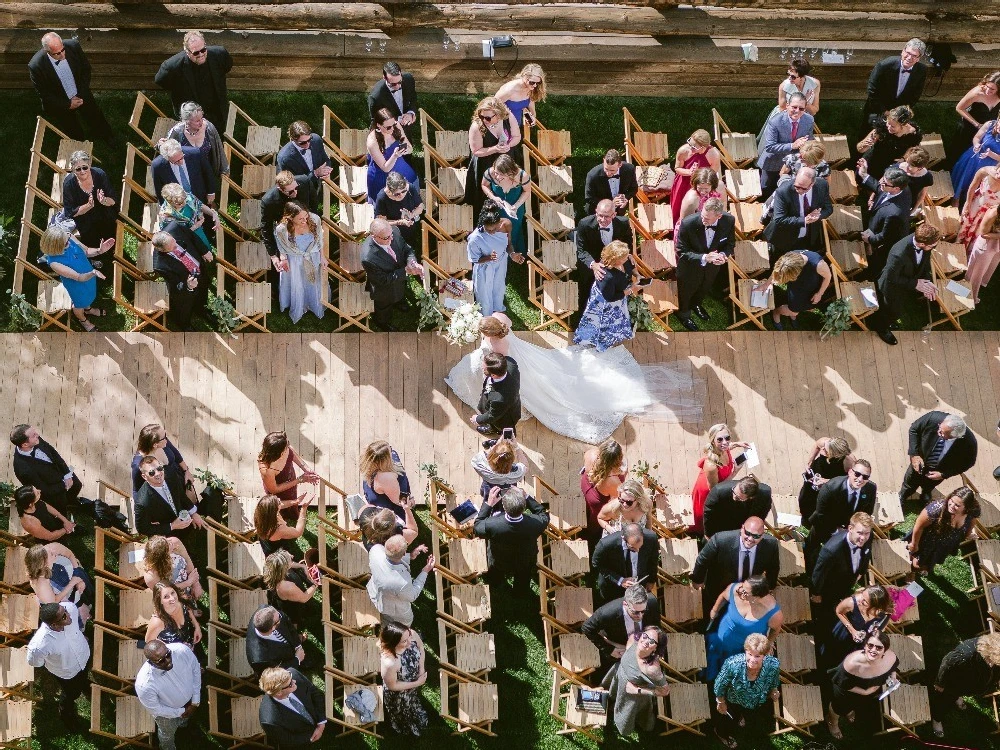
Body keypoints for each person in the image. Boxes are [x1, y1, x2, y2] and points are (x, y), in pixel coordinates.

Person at [445, 311, 692, 446]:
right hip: (523, 358)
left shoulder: (499, 348)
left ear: (488, 333)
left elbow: (498, 364)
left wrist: (483, 356)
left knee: (538, 392)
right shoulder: (500, 319)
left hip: (514, 368)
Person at [27, 31, 112, 143]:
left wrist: (81, 93)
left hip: (80, 91)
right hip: (60, 100)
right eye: (57, 53)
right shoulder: (36, 66)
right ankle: (79, 144)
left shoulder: (73, 45)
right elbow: (44, 94)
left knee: (94, 115)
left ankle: (106, 136)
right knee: (71, 128)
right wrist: (68, 104)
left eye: (63, 50)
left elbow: (86, 69)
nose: (62, 55)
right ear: (47, 51)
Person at [691, 518, 780, 613]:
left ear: (762, 536)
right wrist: (697, 580)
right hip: (718, 591)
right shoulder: (720, 540)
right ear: (742, 528)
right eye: (747, 533)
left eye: (755, 536)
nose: (750, 539)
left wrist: (769, 587)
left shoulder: (771, 545)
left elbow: (773, 568)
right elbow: (702, 559)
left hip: (748, 598)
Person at [869, 226, 939, 346]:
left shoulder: (925, 245)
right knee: (891, 310)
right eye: (933, 246)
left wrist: (927, 282)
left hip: (905, 282)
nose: (934, 248)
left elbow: (924, 265)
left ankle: (887, 322)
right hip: (891, 286)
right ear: (922, 243)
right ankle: (881, 328)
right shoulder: (899, 254)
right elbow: (891, 277)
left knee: (896, 310)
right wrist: (916, 284)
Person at [474, 486, 549, 595]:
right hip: (525, 560)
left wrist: (488, 504)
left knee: (496, 574)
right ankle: (520, 592)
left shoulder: (492, 524)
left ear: (503, 506)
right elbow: (542, 513)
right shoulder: (536, 523)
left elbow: (477, 526)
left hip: (499, 559)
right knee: (523, 577)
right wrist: (527, 497)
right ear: (524, 507)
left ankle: (496, 585)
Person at [712, 633, 781, 750]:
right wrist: (720, 701)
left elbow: (774, 680)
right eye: (750, 654)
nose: (753, 660)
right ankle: (721, 733)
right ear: (745, 651)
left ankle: (739, 716)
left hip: (755, 700)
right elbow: (720, 684)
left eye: (758, 656)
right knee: (728, 719)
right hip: (733, 698)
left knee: (744, 712)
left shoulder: (773, 665)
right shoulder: (732, 664)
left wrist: (774, 690)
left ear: (765, 655)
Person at [705, 576, 782, 681]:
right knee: (712, 659)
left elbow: (775, 629)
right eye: (742, 586)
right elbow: (723, 595)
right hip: (722, 636)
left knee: (731, 672)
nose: (740, 590)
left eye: (745, 592)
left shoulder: (773, 613)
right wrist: (715, 610)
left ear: (756, 597)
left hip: (741, 649)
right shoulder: (736, 589)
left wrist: (769, 642)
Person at [805, 459, 876, 573]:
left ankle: (858, 570)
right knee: (812, 545)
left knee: (867, 537)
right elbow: (821, 514)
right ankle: (810, 571)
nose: (860, 479)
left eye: (865, 477)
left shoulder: (871, 488)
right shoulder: (830, 488)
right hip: (826, 523)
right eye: (857, 474)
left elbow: (867, 513)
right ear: (849, 472)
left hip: (851, 526)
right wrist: (835, 531)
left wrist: (852, 530)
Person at [27, 602, 90, 727]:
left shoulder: (70, 608)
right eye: (64, 616)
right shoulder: (40, 645)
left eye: (65, 610)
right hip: (67, 672)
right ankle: (66, 714)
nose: (68, 614)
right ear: (54, 624)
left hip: (83, 656)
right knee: (71, 694)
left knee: (83, 677)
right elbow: (34, 662)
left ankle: (84, 684)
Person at [675, 198, 735, 331]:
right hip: (690, 267)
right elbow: (681, 251)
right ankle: (684, 314)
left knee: (705, 286)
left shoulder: (728, 220)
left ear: (719, 216)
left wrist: (723, 255)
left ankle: (696, 304)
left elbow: (730, 244)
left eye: (707, 219)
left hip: (713, 267)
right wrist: (704, 257)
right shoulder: (688, 223)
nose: (703, 220)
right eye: (703, 216)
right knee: (686, 291)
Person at [826, 630, 898, 738]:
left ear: (885, 650)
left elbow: (893, 667)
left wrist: (893, 677)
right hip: (847, 691)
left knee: (856, 704)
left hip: (870, 690)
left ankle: (849, 711)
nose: (873, 650)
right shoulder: (852, 663)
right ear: (865, 646)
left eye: (879, 647)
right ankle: (832, 722)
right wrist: (865, 692)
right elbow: (842, 683)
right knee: (838, 708)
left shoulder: (890, 657)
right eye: (870, 645)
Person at [810, 512, 874, 635]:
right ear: (850, 529)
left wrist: (861, 572)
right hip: (829, 588)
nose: (863, 538)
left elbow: (867, 554)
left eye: (867, 533)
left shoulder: (868, 537)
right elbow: (818, 575)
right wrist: (816, 594)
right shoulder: (831, 550)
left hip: (847, 582)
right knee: (825, 613)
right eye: (859, 533)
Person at [573, 239, 643, 351]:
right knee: (601, 323)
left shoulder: (625, 259)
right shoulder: (606, 275)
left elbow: (631, 266)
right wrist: (631, 290)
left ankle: (615, 336)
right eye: (624, 257)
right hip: (605, 303)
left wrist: (637, 275)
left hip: (619, 296)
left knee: (617, 321)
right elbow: (610, 297)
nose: (628, 257)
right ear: (615, 259)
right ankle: (598, 342)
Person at [39, 224, 111, 331]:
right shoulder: (54, 262)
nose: (69, 240)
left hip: (90, 275)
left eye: (67, 237)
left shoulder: (68, 237)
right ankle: (83, 321)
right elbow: (79, 278)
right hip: (78, 284)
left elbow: (86, 251)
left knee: (89, 295)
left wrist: (99, 251)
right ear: (56, 246)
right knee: (79, 304)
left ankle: (88, 309)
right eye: (65, 242)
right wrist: (93, 273)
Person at [582, 584, 661, 678]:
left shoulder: (652, 603)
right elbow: (587, 628)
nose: (640, 616)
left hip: (644, 650)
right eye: (635, 612)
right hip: (618, 652)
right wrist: (609, 650)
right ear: (625, 604)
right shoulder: (608, 612)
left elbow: (656, 629)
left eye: (643, 611)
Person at [155, 30, 232, 127]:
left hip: (217, 108)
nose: (200, 55)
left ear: (205, 45)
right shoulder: (172, 67)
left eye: (203, 50)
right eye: (196, 53)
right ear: (187, 52)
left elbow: (227, 66)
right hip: (192, 113)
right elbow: (160, 81)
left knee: (219, 134)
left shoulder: (220, 54)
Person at [135, 639, 202, 750]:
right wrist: (181, 711)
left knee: (186, 719)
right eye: (161, 661)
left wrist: (194, 701)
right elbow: (156, 709)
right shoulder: (144, 684)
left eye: (168, 654)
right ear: (151, 662)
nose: (168, 661)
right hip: (166, 716)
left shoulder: (182, 651)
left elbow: (195, 670)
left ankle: (183, 724)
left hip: (190, 701)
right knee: (167, 735)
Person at [931, 633, 1000, 738]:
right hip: (955, 683)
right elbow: (947, 663)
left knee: (958, 692)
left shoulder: (992, 658)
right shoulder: (966, 655)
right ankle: (937, 718)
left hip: (968, 683)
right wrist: (940, 683)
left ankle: (958, 696)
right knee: (945, 701)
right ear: (991, 654)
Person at [574, 198, 634, 317]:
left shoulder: (623, 223)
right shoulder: (584, 224)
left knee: (619, 285)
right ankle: (585, 316)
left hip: (615, 262)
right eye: (599, 215)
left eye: (606, 216)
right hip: (593, 261)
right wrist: (593, 265)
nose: (602, 220)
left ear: (614, 214)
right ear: (596, 212)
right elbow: (581, 250)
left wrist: (628, 254)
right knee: (586, 289)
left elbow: (628, 242)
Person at [605, 626, 670, 737]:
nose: (645, 641)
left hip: (633, 696)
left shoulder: (651, 669)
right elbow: (627, 652)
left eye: (652, 641)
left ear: (655, 648)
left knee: (626, 718)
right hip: (620, 677)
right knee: (614, 697)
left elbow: (665, 691)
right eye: (645, 635)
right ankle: (613, 703)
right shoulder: (633, 639)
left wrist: (637, 690)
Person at [360, 219, 423, 331]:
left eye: (391, 235)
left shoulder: (393, 231)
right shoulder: (368, 258)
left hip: (399, 278)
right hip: (384, 290)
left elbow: (406, 249)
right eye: (386, 238)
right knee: (383, 307)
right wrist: (406, 271)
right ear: (374, 236)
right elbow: (383, 280)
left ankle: (399, 301)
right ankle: (381, 322)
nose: (391, 239)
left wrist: (412, 262)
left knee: (400, 290)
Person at [900, 411, 978, 502]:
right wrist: (914, 454)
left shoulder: (969, 442)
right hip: (920, 459)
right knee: (910, 480)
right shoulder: (933, 417)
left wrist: (944, 474)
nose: (940, 434)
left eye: (945, 435)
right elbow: (914, 429)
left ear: (957, 436)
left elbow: (969, 462)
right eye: (940, 429)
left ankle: (926, 492)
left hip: (940, 469)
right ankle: (904, 494)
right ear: (942, 422)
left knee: (930, 484)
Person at [904, 486, 980, 575]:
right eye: (951, 501)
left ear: (967, 507)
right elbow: (918, 526)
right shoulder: (935, 509)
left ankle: (924, 567)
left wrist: (968, 533)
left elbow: (973, 520)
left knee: (931, 562)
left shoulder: (972, 510)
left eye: (957, 505)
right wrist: (914, 544)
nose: (951, 505)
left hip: (945, 544)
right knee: (917, 564)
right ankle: (910, 572)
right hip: (928, 541)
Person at [856, 163, 912, 282]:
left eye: (885, 183)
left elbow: (885, 237)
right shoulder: (897, 188)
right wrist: (864, 175)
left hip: (880, 241)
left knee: (874, 262)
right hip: (875, 221)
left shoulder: (895, 213)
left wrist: (869, 239)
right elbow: (879, 188)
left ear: (896, 189)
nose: (881, 183)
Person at [465, 96, 521, 215]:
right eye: (481, 116)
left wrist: (509, 145)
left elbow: (517, 137)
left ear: (499, 114)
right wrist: (495, 149)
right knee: (485, 201)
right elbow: (476, 151)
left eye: (488, 117)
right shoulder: (477, 126)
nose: (484, 119)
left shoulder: (508, 117)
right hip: (485, 163)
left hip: (506, 161)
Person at [273, 201, 327, 324]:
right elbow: (281, 247)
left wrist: (322, 257)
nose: (304, 220)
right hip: (294, 260)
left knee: (314, 282)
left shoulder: (315, 219)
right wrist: (284, 258)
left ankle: (313, 303)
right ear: (290, 218)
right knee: (296, 282)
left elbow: (319, 241)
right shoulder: (281, 229)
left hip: (312, 257)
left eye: (306, 216)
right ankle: (297, 303)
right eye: (300, 218)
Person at [10, 424, 83, 515]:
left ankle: (71, 503)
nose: (37, 434)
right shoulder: (23, 470)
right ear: (25, 444)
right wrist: (64, 484)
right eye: (33, 435)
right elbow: (44, 491)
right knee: (61, 511)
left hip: (61, 472)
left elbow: (53, 453)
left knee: (77, 485)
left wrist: (67, 473)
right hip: (53, 491)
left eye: (35, 432)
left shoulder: (35, 439)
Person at [762, 166, 833, 258]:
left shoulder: (822, 185)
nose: (799, 190)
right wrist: (804, 220)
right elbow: (779, 219)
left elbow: (828, 209)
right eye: (796, 186)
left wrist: (817, 216)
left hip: (809, 236)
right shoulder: (783, 192)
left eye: (803, 188)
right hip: (784, 236)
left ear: (812, 184)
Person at [691, 425, 749, 535]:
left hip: (719, 482)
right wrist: (735, 472)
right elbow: (715, 490)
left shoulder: (724, 448)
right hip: (708, 492)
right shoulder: (711, 465)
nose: (725, 442)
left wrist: (737, 444)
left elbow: (727, 446)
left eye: (727, 438)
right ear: (713, 441)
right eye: (720, 439)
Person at [757, 92, 814, 198]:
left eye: (801, 108)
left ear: (805, 109)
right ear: (787, 105)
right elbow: (769, 147)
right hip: (772, 162)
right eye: (794, 107)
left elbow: (809, 139)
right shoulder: (775, 122)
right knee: (766, 191)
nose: (797, 111)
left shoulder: (809, 120)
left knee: (789, 192)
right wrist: (793, 145)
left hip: (793, 164)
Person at [366, 534, 433, 626]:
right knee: (406, 621)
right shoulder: (402, 583)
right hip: (390, 608)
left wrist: (410, 556)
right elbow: (412, 596)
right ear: (404, 553)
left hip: (373, 591)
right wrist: (425, 570)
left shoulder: (375, 549)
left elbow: (391, 557)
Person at [823, 585, 892, 671]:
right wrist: (852, 631)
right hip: (843, 634)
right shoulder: (852, 602)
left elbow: (879, 629)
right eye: (862, 595)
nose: (860, 600)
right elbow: (839, 611)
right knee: (829, 655)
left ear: (876, 606)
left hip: (858, 644)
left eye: (865, 601)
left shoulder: (884, 615)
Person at [134, 454, 204, 538]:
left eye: (159, 468)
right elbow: (142, 528)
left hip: (184, 519)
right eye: (152, 472)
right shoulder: (142, 502)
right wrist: (172, 526)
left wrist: (193, 513)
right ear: (144, 476)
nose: (158, 473)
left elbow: (181, 495)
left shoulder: (171, 474)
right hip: (165, 533)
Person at [379, 622, 429, 736]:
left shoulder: (409, 634)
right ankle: (405, 727)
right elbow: (392, 686)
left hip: (413, 685)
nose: (410, 642)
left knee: (413, 701)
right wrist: (417, 683)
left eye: (409, 636)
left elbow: (421, 648)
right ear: (393, 643)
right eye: (404, 641)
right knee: (403, 710)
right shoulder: (389, 662)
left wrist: (421, 669)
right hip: (399, 693)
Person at [468, 200, 516, 317]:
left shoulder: (506, 224)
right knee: (485, 295)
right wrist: (489, 258)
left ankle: (498, 314)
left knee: (498, 289)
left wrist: (512, 254)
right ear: (483, 224)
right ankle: (486, 318)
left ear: (499, 222)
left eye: (494, 229)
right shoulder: (475, 238)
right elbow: (474, 259)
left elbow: (509, 245)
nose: (492, 232)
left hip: (501, 262)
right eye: (489, 230)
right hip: (484, 267)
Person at [150, 229, 206, 331]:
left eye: (174, 242)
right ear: (162, 250)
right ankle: (185, 324)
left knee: (203, 289)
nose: (177, 247)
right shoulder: (161, 265)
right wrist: (188, 286)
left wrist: (204, 250)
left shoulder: (174, 227)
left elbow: (192, 236)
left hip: (199, 267)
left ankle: (201, 309)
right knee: (184, 304)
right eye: (173, 248)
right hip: (186, 282)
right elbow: (175, 285)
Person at [862, 39, 928, 125]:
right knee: (869, 137)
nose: (909, 58)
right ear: (902, 51)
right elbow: (872, 90)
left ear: (919, 58)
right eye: (908, 53)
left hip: (899, 114)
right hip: (877, 110)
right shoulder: (884, 65)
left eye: (914, 56)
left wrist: (900, 113)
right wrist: (885, 112)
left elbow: (915, 95)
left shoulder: (922, 70)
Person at [61, 150, 117, 251]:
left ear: (89, 165)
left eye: (85, 167)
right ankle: (96, 255)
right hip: (84, 218)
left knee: (110, 226)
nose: (82, 171)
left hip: (104, 211)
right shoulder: (69, 184)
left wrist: (103, 200)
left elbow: (113, 200)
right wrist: (88, 206)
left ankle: (113, 250)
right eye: (78, 169)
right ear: (73, 169)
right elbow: (69, 212)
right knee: (90, 233)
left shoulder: (100, 174)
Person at [258, 667, 327, 749]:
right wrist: (311, 737)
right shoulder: (270, 721)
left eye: (291, 678)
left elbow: (314, 693)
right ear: (279, 692)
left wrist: (321, 721)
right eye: (290, 684)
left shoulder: (293, 673)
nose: (294, 681)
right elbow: (289, 740)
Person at [257, 431, 319, 522]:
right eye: (286, 445)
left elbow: (292, 454)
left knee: (292, 501)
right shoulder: (266, 469)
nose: (289, 445)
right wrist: (300, 480)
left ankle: (293, 516)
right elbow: (274, 489)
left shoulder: (285, 447)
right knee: (279, 511)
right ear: (278, 453)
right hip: (279, 491)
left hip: (291, 480)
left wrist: (306, 468)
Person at [261, 171, 320, 266]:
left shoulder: (305, 181)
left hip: (308, 229)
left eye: (296, 187)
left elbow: (314, 204)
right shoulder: (268, 201)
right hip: (287, 236)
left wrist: (313, 225)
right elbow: (266, 227)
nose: (295, 192)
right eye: (291, 191)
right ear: (280, 189)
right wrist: (273, 255)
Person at [165, 101, 229, 188]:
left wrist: (225, 170)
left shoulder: (209, 128)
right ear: (187, 121)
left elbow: (219, 149)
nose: (201, 122)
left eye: (201, 118)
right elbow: (166, 152)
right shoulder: (177, 132)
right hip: (186, 175)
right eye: (197, 121)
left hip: (207, 173)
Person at [25, 542, 94, 623]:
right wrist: (73, 583)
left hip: (71, 576)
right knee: (80, 610)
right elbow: (54, 601)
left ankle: (90, 600)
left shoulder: (51, 548)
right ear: (44, 564)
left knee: (88, 591)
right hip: (62, 599)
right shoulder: (41, 585)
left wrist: (77, 572)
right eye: (51, 554)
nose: (53, 552)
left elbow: (70, 555)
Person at [858, 106, 923, 190]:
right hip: (874, 159)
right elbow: (859, 149)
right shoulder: (882, 127)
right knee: (863, 180)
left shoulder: (914, 135)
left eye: (892, 126)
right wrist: (866, 144)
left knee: (881, 186)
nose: (888, 127)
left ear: (904, 125)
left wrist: (904, 158)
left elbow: (912, 150)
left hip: (889, 165)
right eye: (888, 123)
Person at [130, 423, 197, 504]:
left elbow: (176, 454)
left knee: (194, 509)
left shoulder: (163, 442)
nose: (166, 439)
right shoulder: (138, 465)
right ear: (155, 444)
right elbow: (137, 490)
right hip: (165, 497)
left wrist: (186, 471)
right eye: (164, 437)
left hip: (181, 480)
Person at [592, 523, 658, 604]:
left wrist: (651, 580)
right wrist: (620, 580)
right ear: (624, 538)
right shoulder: (605, 544)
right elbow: (597, 563)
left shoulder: (651, 538)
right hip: (613, 585)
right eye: (633, 547)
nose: (637, 551)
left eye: (640, 546)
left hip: (639, 584)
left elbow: (653, 561)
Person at [767, 249, 832, 330]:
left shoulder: (818, 265)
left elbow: (828, 276)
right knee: (794, 310)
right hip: (796, 287)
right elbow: (777, 271)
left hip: (811, 288)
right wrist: (766, 284)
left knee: (808, 305)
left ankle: (792, 314)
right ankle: (777, 312)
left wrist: (819, 294)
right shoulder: (788, 258)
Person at [798, 437, 854, 526]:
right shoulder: (824, 442)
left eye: (826, 450)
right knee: (805, 498)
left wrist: (827, 481)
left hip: (833, 478)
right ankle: (806, 521)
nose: (823, 449)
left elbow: (850, 479)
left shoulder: (849, 460)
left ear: (837, 454)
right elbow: (817, 446)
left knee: (824, 504)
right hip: (817, 472)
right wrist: (809, 462)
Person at [367, 108, 418, 205]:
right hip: (383, 178)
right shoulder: (372, 140)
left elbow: (410, 148)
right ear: (378, 125)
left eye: (393, 124)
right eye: (388, 127)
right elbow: (385, 168)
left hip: (402, 171)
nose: (393, 128)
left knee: (412, 189)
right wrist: (395, 156)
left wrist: (405, 150)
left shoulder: (396, 126)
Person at [482, 154, 530, 256]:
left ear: (510, 172)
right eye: (496, 173)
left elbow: (527, 192)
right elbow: (484, 185)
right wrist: (493, 197)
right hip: (497, 207)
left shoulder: (522, 176)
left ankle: (512, 252)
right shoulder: (490, 173)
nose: (498, 177)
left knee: (514, 229)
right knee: (496, 228)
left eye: (501, 174)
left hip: (515, 208)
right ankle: (496, 252)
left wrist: (516, 206)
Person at [581, 438, 627, 546]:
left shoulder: (590, 454)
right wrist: (623, 475)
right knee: (594, 524)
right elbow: (616, 500)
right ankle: (590, 541)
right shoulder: (613, 481)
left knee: (588, 510)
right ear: (617, 460)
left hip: (586, 484)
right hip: (597, 500)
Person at [671, 129, 721, 225]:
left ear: (703, 147)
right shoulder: (683, 150)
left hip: (703, 185)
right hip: (684, 182)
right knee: (679, 208)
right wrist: (689, 172)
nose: (691, 148)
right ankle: (677, 232)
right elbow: (677, 168)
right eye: (690, 144)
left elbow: (712, 175)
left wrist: (699, 176)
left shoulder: (713, 154)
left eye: (694, 147)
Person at [158, 182, 218, 258]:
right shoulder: (166, 217)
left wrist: (213, 214)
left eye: (185, 200)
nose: (184, 203)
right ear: (170, 203)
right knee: (197, 257)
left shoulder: (187, 196)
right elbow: (177, 237)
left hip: (198, 231)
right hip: (187, 241)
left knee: (206, 248)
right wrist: (196, 226)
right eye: (179, 203)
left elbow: (199, 205)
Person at [151, 138, 216, 208]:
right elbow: (159, 188)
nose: (180, 162)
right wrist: (164, 207)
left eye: (181, 158)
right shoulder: (157, 166)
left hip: (200, 196)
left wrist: (211, 192)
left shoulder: (196, 153)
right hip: (178, 205)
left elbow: (208, 172)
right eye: (175, 162)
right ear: (166, 158)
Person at [276, 121, 334, 200]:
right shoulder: (284, 157)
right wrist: (315, 173)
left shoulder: (316, 140)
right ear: (292, 139)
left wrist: (326, 170)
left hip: (318, 185)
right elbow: (290, 183)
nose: (307, 145)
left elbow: (325, 159)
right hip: (299, 193)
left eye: (309, 140)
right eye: (302, 143)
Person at [703, 475, 772, 539]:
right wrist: (708, 534)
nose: (734, 497)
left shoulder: (764, 495)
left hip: (744, 525)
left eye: (739, 498)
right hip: (723, 522)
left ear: (751, 497)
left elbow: (762, 514)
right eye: (734, 491)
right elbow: (708, 513)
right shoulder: (719, 491)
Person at [953, 119, 1000, 212]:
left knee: (976, 187)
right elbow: (977, 137)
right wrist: (976, 145)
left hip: (989, 166)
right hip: (973, 159)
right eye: (999, 124)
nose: (998, 128)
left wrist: (991, 155)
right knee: (963, 181)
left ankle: (969, 207)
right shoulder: (989, 124)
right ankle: (955, 201)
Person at [360, 440, 413, 523]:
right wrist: (409, 502)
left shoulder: (367, 462)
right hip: (384, 514)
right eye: (390, 451)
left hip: (371, 498)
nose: (392, 452)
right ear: (384, 460)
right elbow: (398, 502)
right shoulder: (385, 478)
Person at [246, 605, 305, 678]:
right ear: (273, 627)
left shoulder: (266, 609)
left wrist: (298, 646)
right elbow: (275, 673)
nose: (281, 615)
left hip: (292, 649)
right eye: (279, 617)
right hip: (285, 662)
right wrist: (297, 660)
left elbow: (288, 624)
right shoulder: (259, 659)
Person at [472, 350, 521, 438]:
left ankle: (504, 441)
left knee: (506, 429)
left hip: (505, 416)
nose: (482, 367)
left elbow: (492, 415)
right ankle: (492, 428)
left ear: (493, 375)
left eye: (484, 368)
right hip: (506, 403)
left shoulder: (499, 399)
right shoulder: (510, 363)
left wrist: (477, 419)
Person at [264, 549, 317, 629]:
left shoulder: (273, 566)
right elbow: (304, 598)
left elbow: (289, 564)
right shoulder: (286, 587)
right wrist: (315, 584)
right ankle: (295, 634)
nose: (292, 556)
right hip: (292, 604)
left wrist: (303, 566)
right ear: (284, 568)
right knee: (295, 617)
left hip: (283, 594)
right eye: (290, 559)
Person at [952, 72, 1000, 161]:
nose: (987, 90)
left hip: (988, 128)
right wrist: (977, 125)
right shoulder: (977, 93)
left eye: (992, 89)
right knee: (961, 152)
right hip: (970, 125)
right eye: (987, 86)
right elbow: (959, 108)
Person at [142, 535, 203, 602]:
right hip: (173, 596)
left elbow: (187, 560)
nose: (171, 541)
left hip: (189, 581)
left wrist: (196, 584)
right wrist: (188, 582)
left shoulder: (175, 542)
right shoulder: (151, 577)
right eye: (168, 544)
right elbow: (165, 591)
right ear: (164, 557)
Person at [145, 582, 203, 651]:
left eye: (172, 593)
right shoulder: (158, 621)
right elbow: (149, 641)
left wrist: (197, 626)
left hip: (188, 645)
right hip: (173, 653)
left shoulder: (181, 601)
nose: (172, 598)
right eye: (166, 596)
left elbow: (188, 610)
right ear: (160, 601)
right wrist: (166, 649)